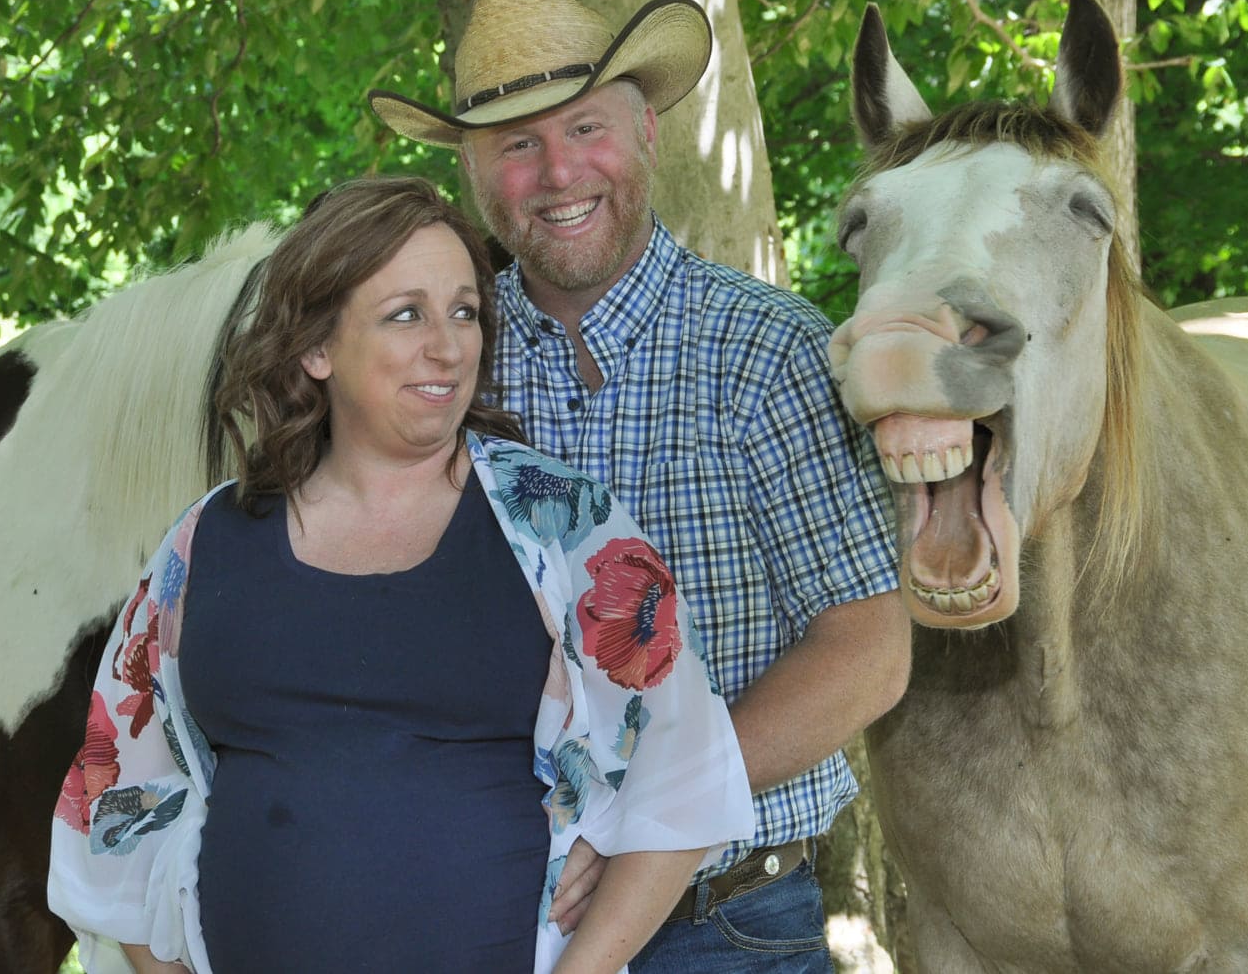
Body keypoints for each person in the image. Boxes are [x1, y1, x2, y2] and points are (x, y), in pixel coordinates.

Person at [47, 175, 755, 974]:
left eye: (464, 311)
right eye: (406, 313)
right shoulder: (206, 542)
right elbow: (112, 809)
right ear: (317, 347)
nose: (448, 345)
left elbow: (686, 769)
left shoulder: (563, 526)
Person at [369, 0, 909, 972]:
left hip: (734, 924)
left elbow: (869, 651)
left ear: (648, 128)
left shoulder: (768, 354)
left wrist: (642, 817)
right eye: (517, 144)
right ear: (475, 171)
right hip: (481, 922)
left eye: (584, 128)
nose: (558, 171)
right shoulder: (439, 365)